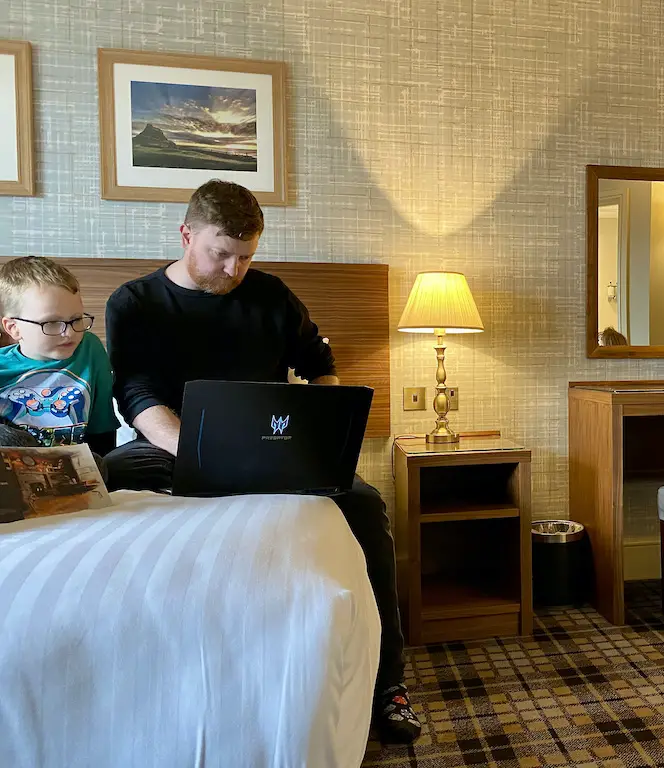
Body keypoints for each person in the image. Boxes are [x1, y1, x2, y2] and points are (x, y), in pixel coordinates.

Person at [103, 180, 421, 744]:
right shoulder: (135, 303)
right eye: (219, 253)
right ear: (186, 235)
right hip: (170, 448)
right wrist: (206, 457)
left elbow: (319, 364)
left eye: (245, 257)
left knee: (366, 505)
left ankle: (387, 683)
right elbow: (138, 396)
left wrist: (326, 426)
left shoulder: (272, 296)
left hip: (275, 447)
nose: (232, 269)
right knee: (110, 480)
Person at [0, 257, 118, 453]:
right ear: (13, 328)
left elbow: (102, 426)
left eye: (76, 319)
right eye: (52, 323)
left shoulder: (89, 348)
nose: (69, 333)